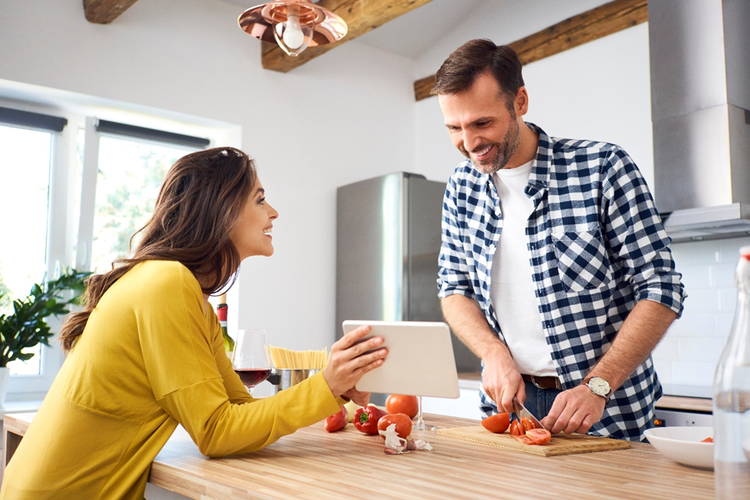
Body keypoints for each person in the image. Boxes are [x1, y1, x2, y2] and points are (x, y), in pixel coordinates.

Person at [0, 147, 387, 499]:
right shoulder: (167, 283)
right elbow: (216, 431)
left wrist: (331, 386)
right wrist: (326, 384)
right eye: (260, 199)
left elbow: (237, 407)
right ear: (222, 210)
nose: (274, 212)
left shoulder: (185, 295)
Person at [433, 39, 685, 441]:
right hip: (508, 408)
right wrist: (492, 353)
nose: (469, 143)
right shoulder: (462, 188)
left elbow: (662, 287)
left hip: (604, 409)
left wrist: (598, 385)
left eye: (482, 123)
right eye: (454, 128)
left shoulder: (602, 168)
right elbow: (453, 289)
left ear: (520, 101)